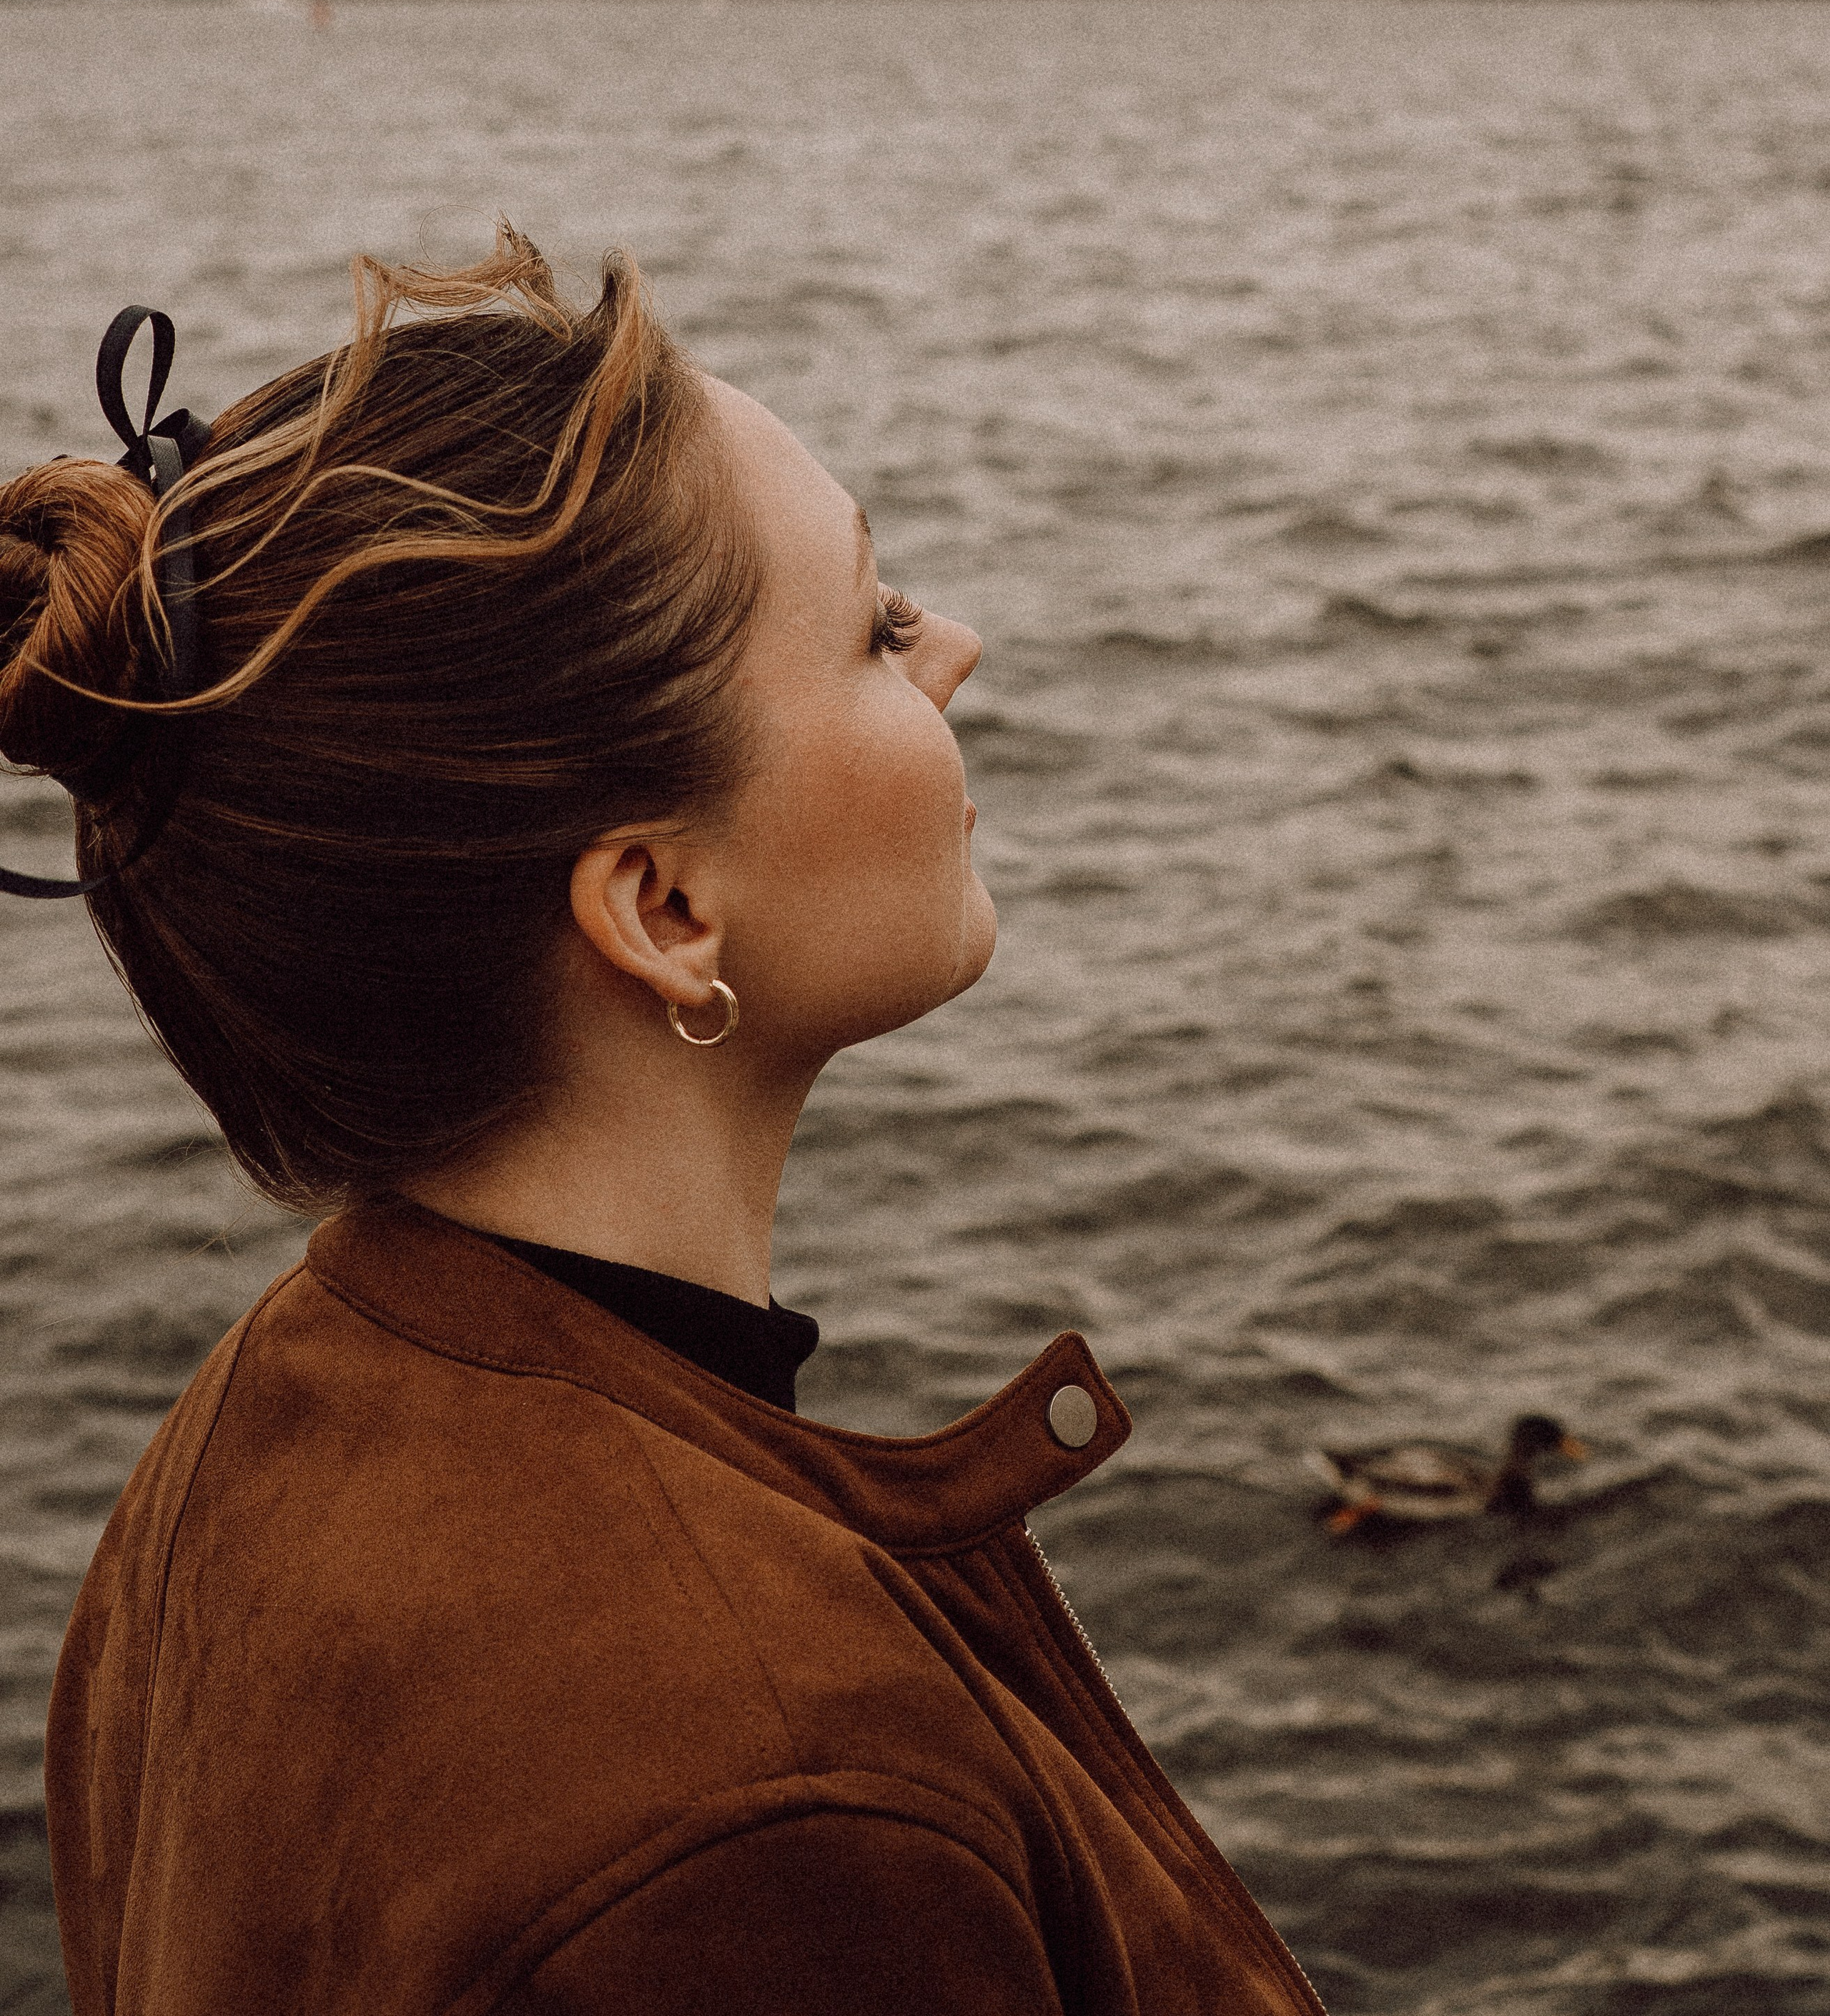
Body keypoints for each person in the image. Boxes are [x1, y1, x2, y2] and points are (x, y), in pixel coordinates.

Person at [4, 227, 1323, 2014]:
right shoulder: (779, 1818)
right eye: (870, 627)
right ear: (662, 912)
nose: (959, 649)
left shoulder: (231, 1456)